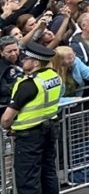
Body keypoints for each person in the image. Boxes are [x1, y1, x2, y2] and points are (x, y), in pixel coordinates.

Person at [1, 42, 62, 194]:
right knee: (48, 173)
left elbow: (6, 119)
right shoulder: (54, 76)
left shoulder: (28, 84)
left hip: (29, 137)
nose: (22, 61)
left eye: (26, 58)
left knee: (27, 180)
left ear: (36, 63)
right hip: (49, 130)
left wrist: (7, 126)